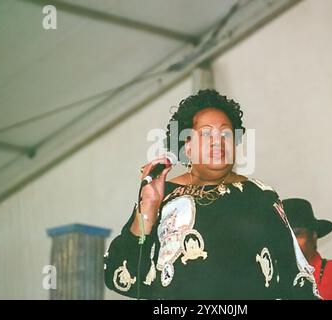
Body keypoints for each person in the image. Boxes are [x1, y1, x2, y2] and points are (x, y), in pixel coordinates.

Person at [104, 89, 320, 299]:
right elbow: (123, 275)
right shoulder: (163, 195)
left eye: (226, 133)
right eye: (206, 133)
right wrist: (149, 206)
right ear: (187, 146)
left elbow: (296, 279)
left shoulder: (261, 196)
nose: (218, 141)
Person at [282, 198, 332, 300]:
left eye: (297, 234)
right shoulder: (270, 278)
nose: (291, 242)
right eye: (285, 236)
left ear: (314, 236)